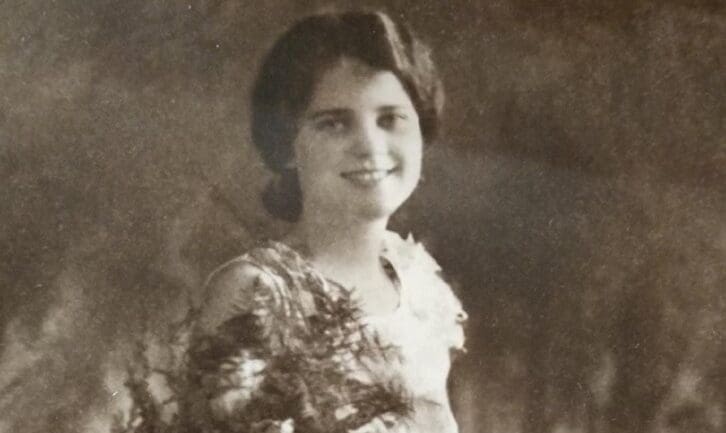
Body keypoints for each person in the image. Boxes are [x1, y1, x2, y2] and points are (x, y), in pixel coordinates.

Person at [182, 10, 467, 433]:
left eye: (391, 119)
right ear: (285, 147)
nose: (371, 146)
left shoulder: (422, 288)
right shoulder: (259, 294)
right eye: (334, 123)